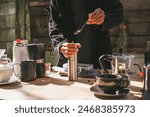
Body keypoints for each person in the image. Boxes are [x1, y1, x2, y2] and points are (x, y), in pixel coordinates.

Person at [49, 0, 123, 68]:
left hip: (100, 64)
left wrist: (105, 17)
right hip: (68, 66)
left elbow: (118, 13)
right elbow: (54, 28)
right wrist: (61, 45)